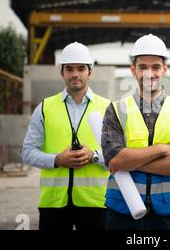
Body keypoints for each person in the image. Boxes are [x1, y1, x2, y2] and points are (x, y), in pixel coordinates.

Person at [101, 34, 170, 230]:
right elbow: (114, 161)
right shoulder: (116, 109)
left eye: (155, 67)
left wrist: (130, 161)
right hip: (122, 210)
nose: (149, 73)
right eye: (143, 67)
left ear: (164, 69)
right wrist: (162, 149)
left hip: (166, 212)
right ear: (133, 70)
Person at [22, 42, 111, 230]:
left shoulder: (108, 109)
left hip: (96, 203)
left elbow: (120, 155)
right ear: (61, 72)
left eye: (81, 68)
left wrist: (94, 156)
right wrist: (57, 159)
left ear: (90, 72)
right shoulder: (45, 108)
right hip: (54, 204)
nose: (75, 74)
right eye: (69, 69)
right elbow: (28, 152)